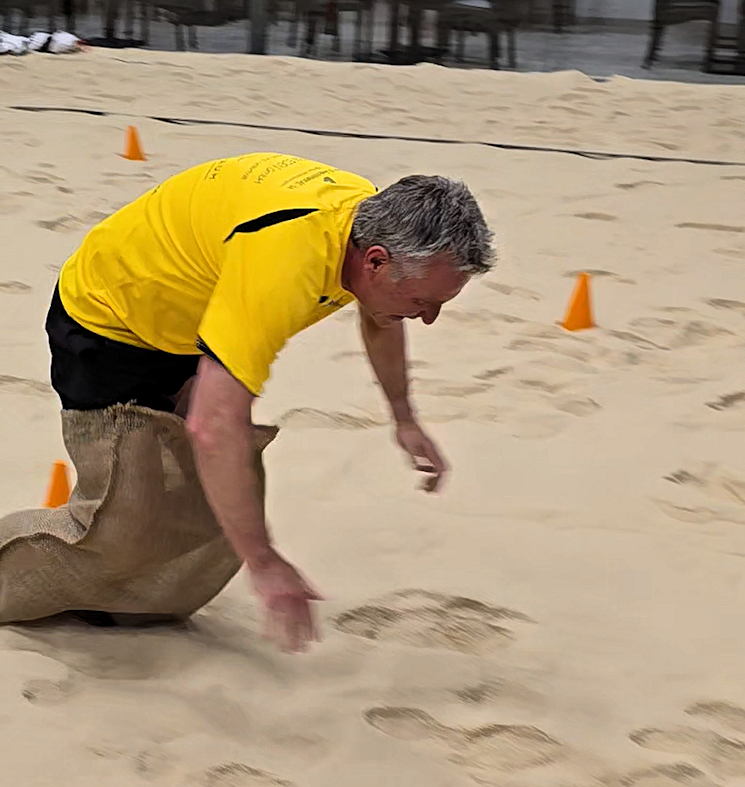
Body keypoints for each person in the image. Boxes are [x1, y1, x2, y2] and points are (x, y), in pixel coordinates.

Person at [46, 152, 495, 654]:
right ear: (374, 261)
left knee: (201, 497)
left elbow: (381, 316)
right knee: (124, 520)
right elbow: (213, 427)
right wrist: (265, 565)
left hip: (190, 321)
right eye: (422, 302)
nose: (429, 318)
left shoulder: (366, 225)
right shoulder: (285, 262)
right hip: (106, 319)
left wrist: (404, 418)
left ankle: (129, 605)